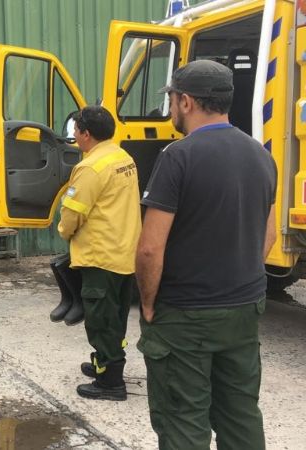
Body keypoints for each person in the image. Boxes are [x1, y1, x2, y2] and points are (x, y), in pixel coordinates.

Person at [136, 59, 275, 449]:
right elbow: (267, 235)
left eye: (173, 100)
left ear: (186, 102)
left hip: (185, 316)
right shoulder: (261, 156)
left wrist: (148, 304)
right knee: (240, 415)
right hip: (243, 310)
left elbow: (149, 248)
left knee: (183, 421)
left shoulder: (177, 157)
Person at [56, 105, 141, 402]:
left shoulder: (90, 167)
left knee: (99, 319)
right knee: (115, 315)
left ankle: (111, 384)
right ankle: (104, 365)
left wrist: (63, 232)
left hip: (99, 255)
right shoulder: (123, 157)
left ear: (86, 134)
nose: (75, 136)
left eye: (76, 131)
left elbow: (72, 215)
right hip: (123, 251)